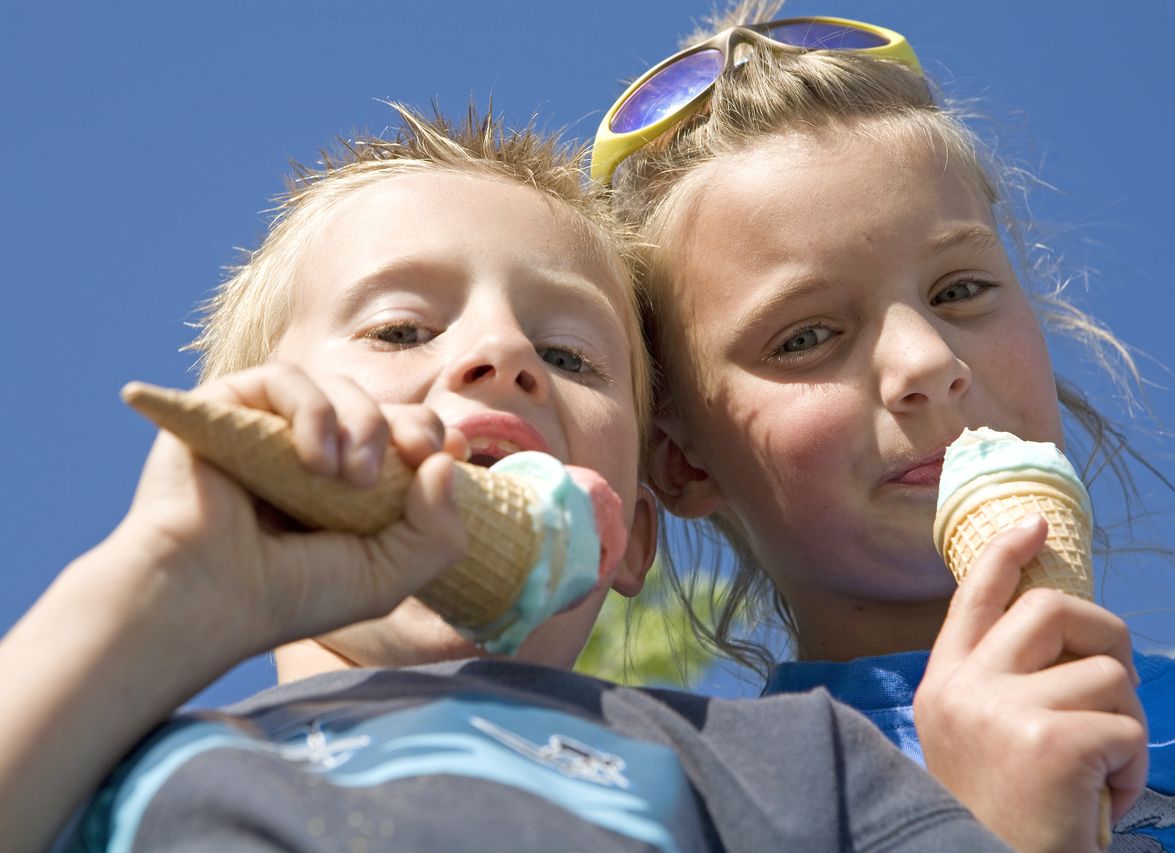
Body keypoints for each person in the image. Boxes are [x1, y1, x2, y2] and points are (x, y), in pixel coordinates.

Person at [0, 102, 1012, 853]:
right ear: (245, 431)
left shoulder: (807, 764)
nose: (499, 353)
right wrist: (161, 587)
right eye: (401, 328)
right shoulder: (94, 760)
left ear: (633, 537)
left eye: (568, 356)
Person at [597, 5, 1175, 852]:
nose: (926, 362)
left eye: (958, 290)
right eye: (806, 337)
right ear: (679, 461)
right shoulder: (695, 806)